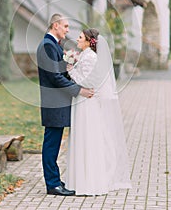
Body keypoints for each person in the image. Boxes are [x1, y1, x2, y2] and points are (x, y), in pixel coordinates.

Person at [65, 28, 132, 196]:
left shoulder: (90, 57)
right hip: (82, 101)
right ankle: (80, 178)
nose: (77, 39)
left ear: (89, 41)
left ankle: (89, 181)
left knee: (87, 137)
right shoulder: (85, 55)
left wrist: (70, 70)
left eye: (80, 37)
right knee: (83, 137)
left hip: (87, 103)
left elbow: (88, 81)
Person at [36, 14, 94, 196]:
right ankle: (52, 184)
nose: (68, 30)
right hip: (53, 102)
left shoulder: (53, 45)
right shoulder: (47, 46)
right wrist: (78, 90)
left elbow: (61, 72)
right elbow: (54, 77)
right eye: (66, 26)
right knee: (51, 144)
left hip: (58, 102)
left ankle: (55, 180)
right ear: (55, 26)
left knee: (54, 142)